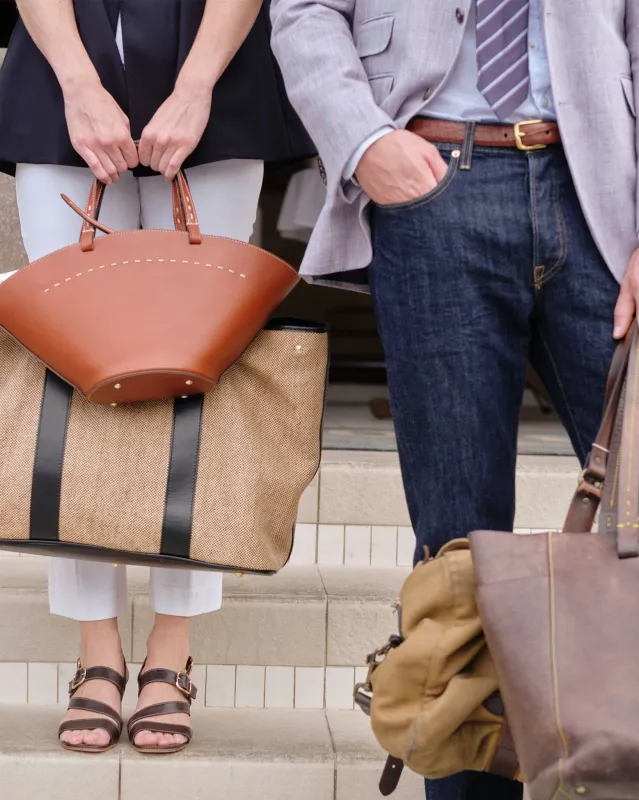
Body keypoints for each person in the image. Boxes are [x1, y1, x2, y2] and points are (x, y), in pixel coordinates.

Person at [269, 1, 639, 798]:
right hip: (435, 186)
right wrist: (364, 141)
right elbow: (304, 11)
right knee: (455, 546)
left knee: (636, 511)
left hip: (601, 195)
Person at [0, 0, 312, 755]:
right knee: (70, 374)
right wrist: (77, 84)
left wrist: (198, 84)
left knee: (200, 374)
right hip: (59, 75)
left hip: (214, 78)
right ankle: (95, 654)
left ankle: (170, 652)